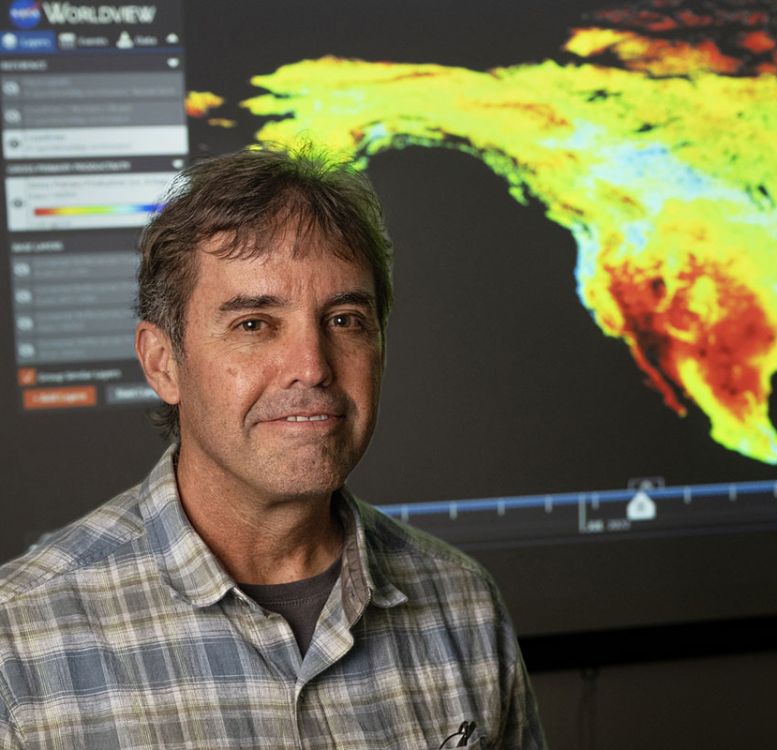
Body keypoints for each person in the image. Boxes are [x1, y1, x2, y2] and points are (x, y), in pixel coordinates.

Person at [0, 146, 547, 749]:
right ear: (163, 364)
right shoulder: (20, 641)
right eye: (253, 324)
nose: (312, 368)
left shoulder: (464, 603)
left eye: (344, 320)